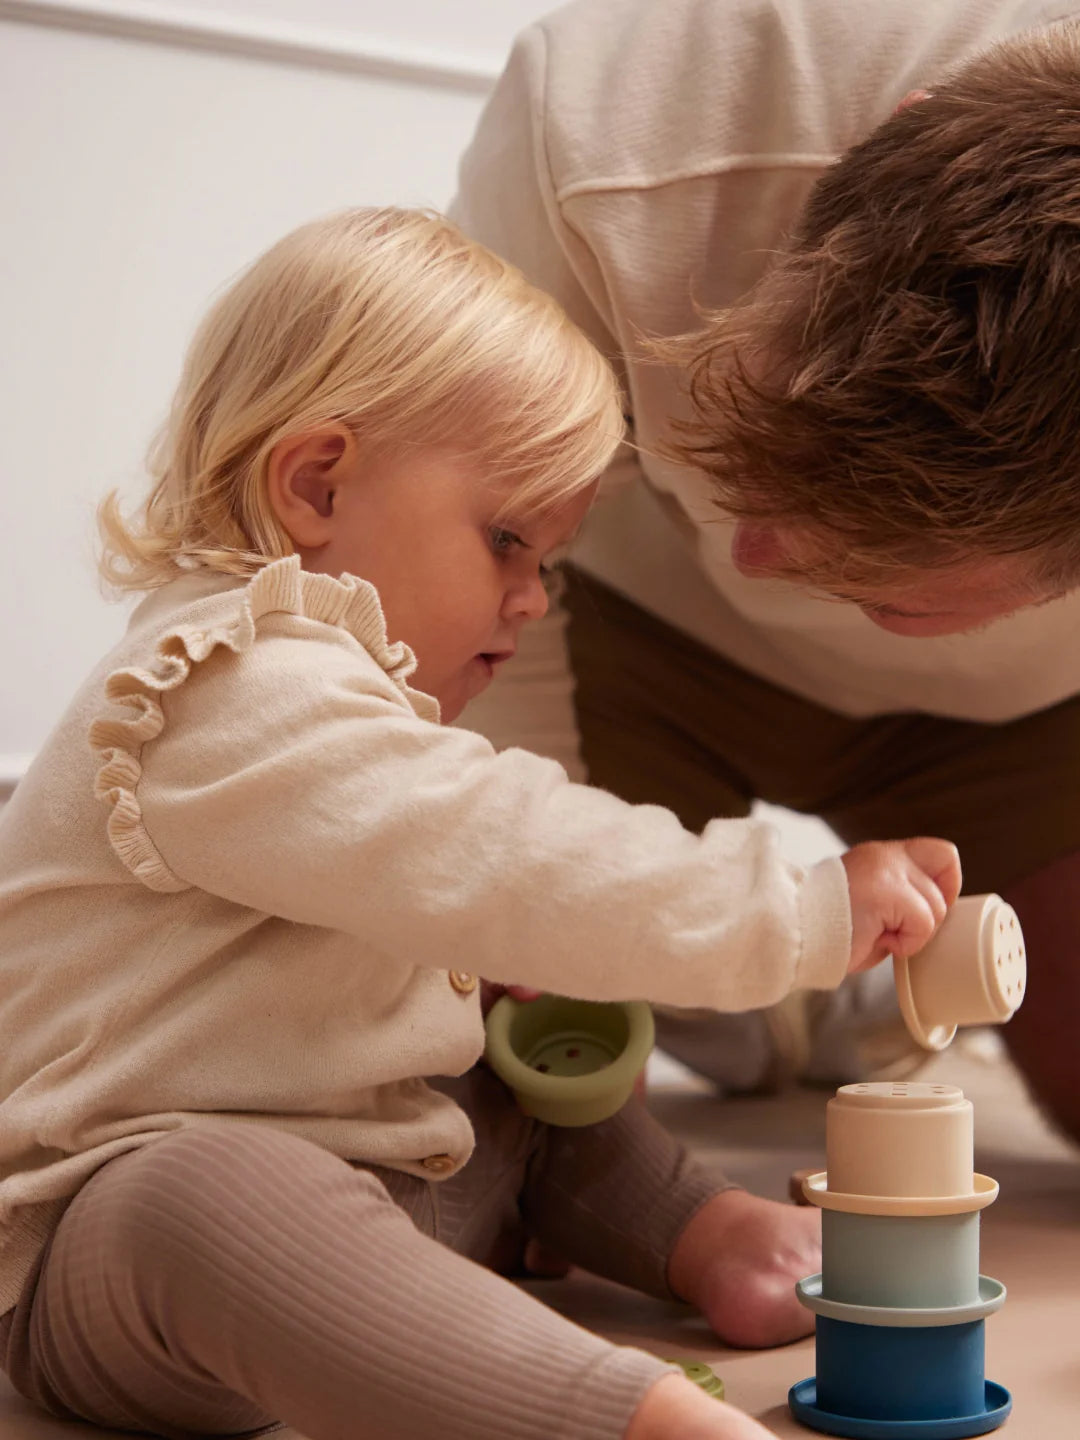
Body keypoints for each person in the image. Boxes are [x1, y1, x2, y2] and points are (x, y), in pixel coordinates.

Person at [0, 207, 959, 1440]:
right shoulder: (222, 687)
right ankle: (624, 1418)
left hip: (387, 1184)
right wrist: (795, 907)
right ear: (315, 484)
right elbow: (509, 852)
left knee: (522, 1047)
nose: (529, 602)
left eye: (549, 561)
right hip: (115, 1269)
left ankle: (687, 1227)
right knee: (203, 1194)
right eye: (509, 539)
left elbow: (466, 894)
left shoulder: (354, 707)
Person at [451, 0, 1080, 1133]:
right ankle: (750, 994)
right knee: (533, 1121)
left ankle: (810, 996)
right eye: (748, 459)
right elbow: (482, 527)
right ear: (890, 141)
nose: (751, 553)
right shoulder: (601, 127)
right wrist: (543, 880)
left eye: (883, 591)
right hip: (629, 627)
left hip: (1029, 717)